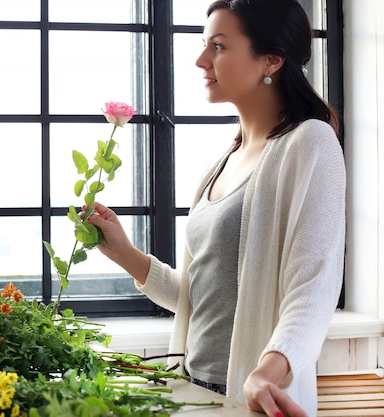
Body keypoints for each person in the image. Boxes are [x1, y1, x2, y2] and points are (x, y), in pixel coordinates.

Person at [86, 1, 346, 416]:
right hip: (191, 389)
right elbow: (202, 297)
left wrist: (268, 371)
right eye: (205, 44)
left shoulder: (309, 143)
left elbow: (315, 284)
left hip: (252, 397)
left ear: (272, 60)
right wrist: (126, 255)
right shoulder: (221, 162)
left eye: (219, 46)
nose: (200, 60)